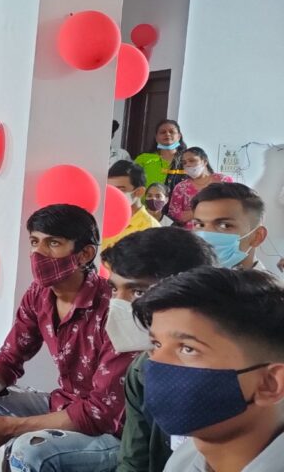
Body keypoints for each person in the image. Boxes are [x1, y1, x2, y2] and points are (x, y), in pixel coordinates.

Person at [0, 204, 134, 472]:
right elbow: (10, 356)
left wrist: (12, 427)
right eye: (35, 242)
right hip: (64, 404)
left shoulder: (112, 308)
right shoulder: (40, 294)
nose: (39, 253)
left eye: (53, 243)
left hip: (113, 433)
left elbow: (102, 414)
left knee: (28, 449)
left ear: (85, 254)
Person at [133, 267, 284, 472]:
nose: (156, 363)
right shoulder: (185, 459)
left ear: (269, 383)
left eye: (188, 349)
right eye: (157, 345)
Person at [99, 227, 217, 472]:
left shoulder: (233, 374)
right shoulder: (141, 371)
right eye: (114, 289)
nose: (119, 304)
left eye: (138, 291)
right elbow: (134, 463)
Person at [191, 182, 269, 271]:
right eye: (200, 225)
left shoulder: (267, 281)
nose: (205, 237)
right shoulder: (185, 275)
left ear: (257, 237)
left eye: (225, 225)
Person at [100, 161, 161, 252]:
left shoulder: (151, 230)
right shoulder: (103, 219)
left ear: (139, 192)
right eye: (110, 189)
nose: (113, 194)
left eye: (119, 190)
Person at [167, 146, 233, 227]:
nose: (188, 165)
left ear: (204, 161)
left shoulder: (223, 181)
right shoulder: (181, 187)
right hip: (190, 232)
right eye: (184, 163)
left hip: (219, 230)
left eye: (192, 160)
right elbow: (174, 214)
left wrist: (194, 213)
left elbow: (230, 207)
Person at [133, 119, 187, 189]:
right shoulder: (143, 158)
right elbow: (131, 182)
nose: (167, 134)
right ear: (156, 138)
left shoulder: (187, 159)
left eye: (171, 132)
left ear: (179, 136)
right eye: (162, 132)